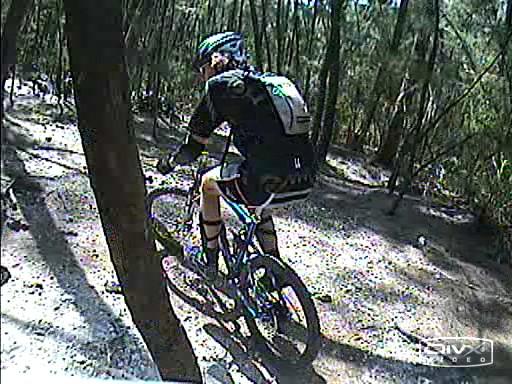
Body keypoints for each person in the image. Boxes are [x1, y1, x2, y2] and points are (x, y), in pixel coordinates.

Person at [157, 32, 316, 280]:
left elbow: (193, 147)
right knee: (259, 204)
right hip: (304, 177)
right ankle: (275, 271)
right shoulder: (269, 82)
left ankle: (209, 261)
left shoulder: (220, 86)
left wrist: (169, 163)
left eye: (202, 68)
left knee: (207, 185)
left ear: (213, 61)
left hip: (267, 178)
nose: (202, 75)